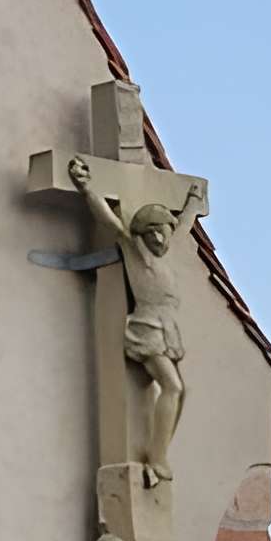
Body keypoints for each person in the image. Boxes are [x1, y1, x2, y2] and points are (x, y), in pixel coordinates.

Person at [68, 156, 207, 488]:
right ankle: (157, 457)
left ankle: (158, 452)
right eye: (154, 234)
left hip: (167, 325)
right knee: (173, 387)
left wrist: (191, 204)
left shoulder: (165, 252)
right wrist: (86, 187)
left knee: (182, 392)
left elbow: (184, 225)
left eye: (163, 232)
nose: (160, 240)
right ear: (144, 235)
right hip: (148, 325)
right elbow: (109, 220)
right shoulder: (135, 250)